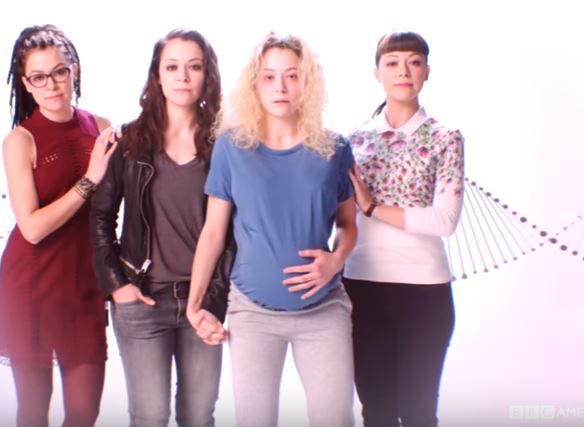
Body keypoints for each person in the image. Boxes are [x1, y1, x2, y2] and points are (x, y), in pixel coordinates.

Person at [186, 32, 357, 427]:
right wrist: (194, 304)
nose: (280, 86)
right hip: (252, 312)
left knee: (335, 418)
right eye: (269, 76)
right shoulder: (231, 147)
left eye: (292, 76)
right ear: (255, 84)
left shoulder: (334, 148)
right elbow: (213, 232)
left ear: (306, 83)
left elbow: (349, 226)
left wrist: (335, 261)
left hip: (324, 311)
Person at [89, 28, 233, 427]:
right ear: (157, 75)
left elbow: (233, 233)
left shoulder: (225, 145)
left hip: (202, 301)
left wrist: (214, 300)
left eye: (194, 67)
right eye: (172, 67)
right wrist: (116, 285)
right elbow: (100, 217)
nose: (182, 76)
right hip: (142, 301)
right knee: (150, 416)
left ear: (207, 75)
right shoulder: (129, 142)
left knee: (198, 416)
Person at [0, 24, 117, 427]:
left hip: (84, 286)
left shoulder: (101, 126)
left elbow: (110, 211)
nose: (51, 85)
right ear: (25, 83)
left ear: (74, 70)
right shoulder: (20, 141)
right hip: (32, 287)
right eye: (38, 77)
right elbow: (31, 228)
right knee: (34, 413)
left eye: (59, 72)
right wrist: (90, 180)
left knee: (83, 413)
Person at [343, 31, 465, 427]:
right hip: (362, 285)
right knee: (376, 413)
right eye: (393, 63)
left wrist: (373, 208)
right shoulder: (354, 140)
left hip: (424, 292)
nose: (404, 71)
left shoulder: (445, 138)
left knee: (418, 413)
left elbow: (444, 220)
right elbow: (342, 218)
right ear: (377, 72)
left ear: (427, 71)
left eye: (414, 62)